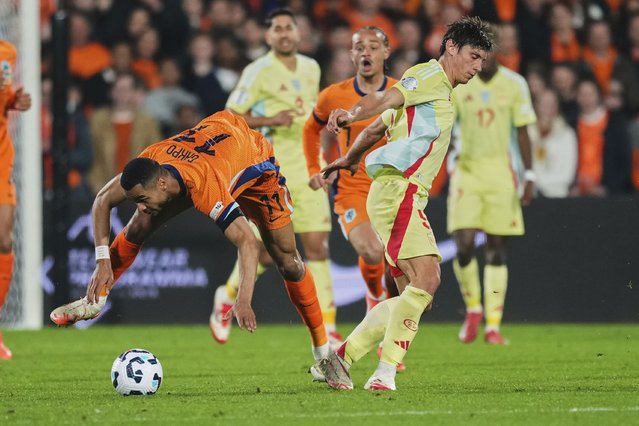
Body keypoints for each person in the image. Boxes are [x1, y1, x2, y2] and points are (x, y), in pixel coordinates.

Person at [50, 110, 331, 367]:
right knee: (139, 225)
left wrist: (243, 299)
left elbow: (247, 240)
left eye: (143, 199)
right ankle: (94, 301)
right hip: (212, 146)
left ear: (161, 184)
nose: (140, 205)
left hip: (256, 164)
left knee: (288, 261)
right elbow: (102, 200)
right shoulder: (152, 160)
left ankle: (324, 352)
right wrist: (102, 260)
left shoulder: (205, 185)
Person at [317, 17, 493, 391]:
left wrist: (350, 159)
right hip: (400, 189)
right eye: (474, 56)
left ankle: (340, 359)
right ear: (450, 47)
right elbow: (383, 100)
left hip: (398, 192)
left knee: (417, 295)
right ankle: (383, 372)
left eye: (482, 61)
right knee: (428, 279)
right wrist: (349, 112)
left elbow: (379, 126)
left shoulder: (436, 90)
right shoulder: (428, 77)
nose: (478, 68)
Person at [210, 8, 337, 346]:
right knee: (269, 253)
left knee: (317, 245)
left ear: (298, 33)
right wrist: (271, 122)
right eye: (277, 29)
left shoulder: (311, 67)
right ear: (267, 36)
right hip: (272, 168)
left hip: (310, 163)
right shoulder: (258, 71)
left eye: (289, 28)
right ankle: (226, 296)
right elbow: (230, 116)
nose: (284, 34)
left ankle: (330, 325)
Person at [302, 27, 403, 374]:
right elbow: (310, 129)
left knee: (398, 268)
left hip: (392, 188)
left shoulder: (401, 92)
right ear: (351, 55)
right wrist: (315, 167)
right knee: (373, 252)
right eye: (359, 47)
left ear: (386, 52)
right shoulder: (334, 95)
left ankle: (386, 332)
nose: (367, 52)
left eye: (374, 47)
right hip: (352, 190)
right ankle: (374, 296)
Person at [448, 48, 537, 346]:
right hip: (467, 171)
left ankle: (493, 325)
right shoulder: (462, 82)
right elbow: (446, 124)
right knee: (463, 244)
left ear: (499, 54)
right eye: (476, 54)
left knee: (497, 251)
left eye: (486, 54)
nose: (481, 60)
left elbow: (523, 132)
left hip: (502, 172)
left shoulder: (515, 84)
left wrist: (530, 176)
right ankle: (474, 309)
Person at [0, 40, 32, 360]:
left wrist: (13, 99)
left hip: (0, 159)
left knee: (4, 238)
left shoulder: (6, 52)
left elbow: (3, 97)